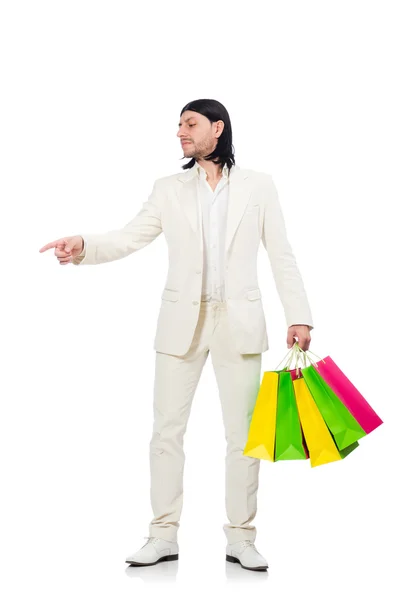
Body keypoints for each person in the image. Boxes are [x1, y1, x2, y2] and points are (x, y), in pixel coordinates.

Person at [39, 98, 314, 572]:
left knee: (244, 436)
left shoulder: (259, 187)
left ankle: (241, 538)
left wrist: (300, 316)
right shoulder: (168, 189)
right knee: (166, 432)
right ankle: (162, 534)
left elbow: (281, 254)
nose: (180, 132)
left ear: (217, 128)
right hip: (180, 324)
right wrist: (84, 245)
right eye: (179, 124)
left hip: (239, 322)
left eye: (190, 124)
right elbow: (131, 236)